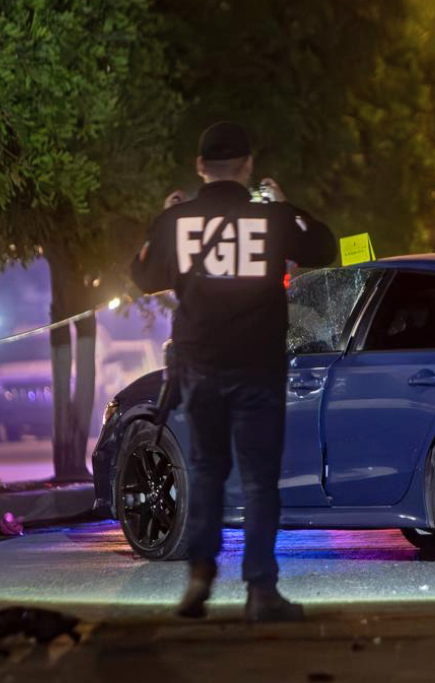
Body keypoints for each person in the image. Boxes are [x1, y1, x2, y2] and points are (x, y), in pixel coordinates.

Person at [131, 121, 336, 622]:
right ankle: (261, 590)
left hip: (200, 365)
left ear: (200, 167)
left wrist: (164, 220)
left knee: (206, 469)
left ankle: (200, 576)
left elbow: (143, 276)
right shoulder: (271, 218)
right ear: (247, 165)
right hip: (258, 365)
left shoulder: (178, 221)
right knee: (261, 479)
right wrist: (285, 204)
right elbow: (324, 247)